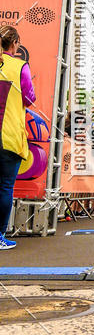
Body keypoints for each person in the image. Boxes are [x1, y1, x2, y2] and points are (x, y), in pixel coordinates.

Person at [0, 25, 36, 249]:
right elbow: (29, 98)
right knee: (4, 187)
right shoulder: (20, 66)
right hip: (9, 136)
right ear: (14, 44)